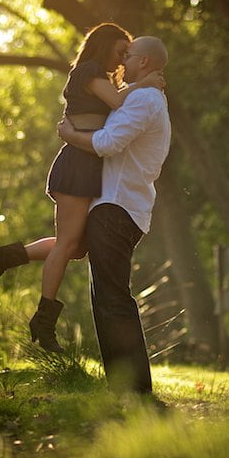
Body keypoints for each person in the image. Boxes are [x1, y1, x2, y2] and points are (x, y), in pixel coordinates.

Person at [0, 23, 164, 354]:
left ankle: (5, 257)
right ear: (103, 46)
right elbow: (119, 104)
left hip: (87, 165)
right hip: (77, 163)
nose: (122, 61)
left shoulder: (101, 77)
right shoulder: (89, 71)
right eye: (120, 52)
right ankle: (44, 320)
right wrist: (145, 83)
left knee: (75, 247)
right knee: (67, 245)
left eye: (128, 55)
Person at [57, 35, 171, 394]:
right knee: (106, 300)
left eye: (129, 55)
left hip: (116, 208)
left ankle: (134, 391)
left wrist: (70, 134)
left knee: (113, 301)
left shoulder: (143, 98)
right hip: (114, 206)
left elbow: (107, 143)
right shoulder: (139, 96)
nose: (123, 60)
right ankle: (125, 387)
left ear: (146, 63)